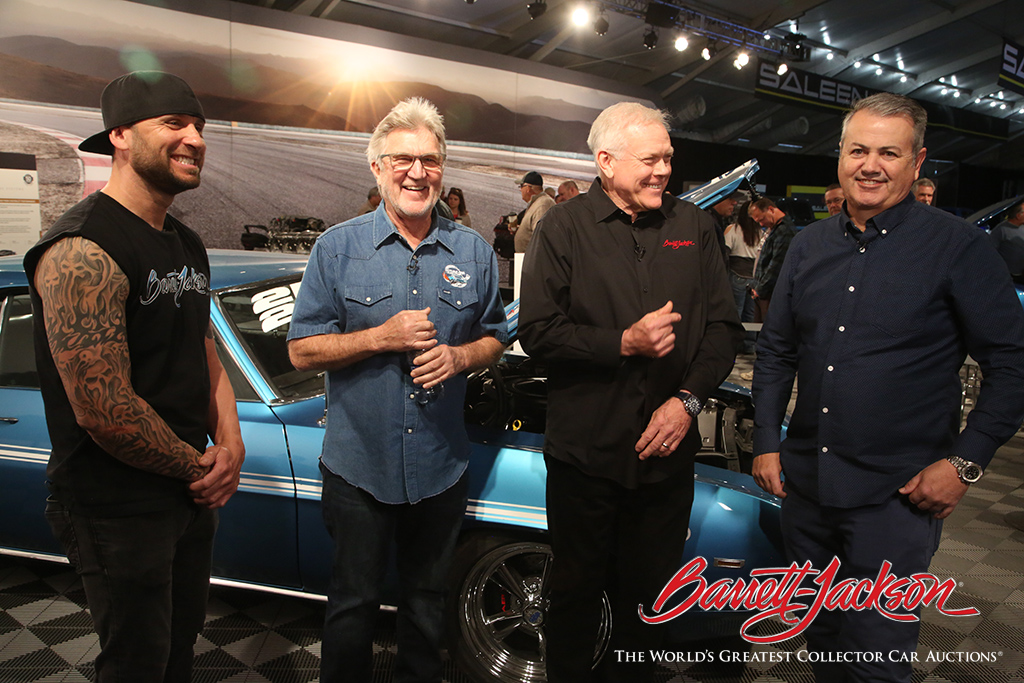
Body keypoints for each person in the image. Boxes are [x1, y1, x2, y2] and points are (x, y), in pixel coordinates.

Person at [752, 92, 1024, 683]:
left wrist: (966, 464)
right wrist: (767, 442)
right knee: (821, 644)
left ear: (917, 161)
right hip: (807, 489)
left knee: (877, 658)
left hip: (897, 497)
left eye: (888, 152)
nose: (870, 165)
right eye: (858, 150)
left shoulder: (958, 247)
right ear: (840, 157)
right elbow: (775, 351)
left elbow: (1013, 362)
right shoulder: (808, 245)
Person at [23, 71, 245, 682]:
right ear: (119, 135)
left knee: (177, 650)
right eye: (174, 124)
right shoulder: (81, 249)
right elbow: (104, 409)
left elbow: (204, 348)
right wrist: (199, 467)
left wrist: (229, 441)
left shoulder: (187, 243)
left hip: (186, 489)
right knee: (135, 662)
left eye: (198, 126)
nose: (195, 138)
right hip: (113, 502)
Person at [519, 102, 742, 683]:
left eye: (668, 157)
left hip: (666, 460)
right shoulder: (562, 228)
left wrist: (687, 400)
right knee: (573, 595)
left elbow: (722, 329)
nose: (664, 170)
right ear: (606, 162)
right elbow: (538, 333)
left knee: (650, 606)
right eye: (651, 159)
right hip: (585, 461)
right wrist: (623, 342)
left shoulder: (694, 227)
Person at [286, 97, 508, 683]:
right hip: (358, 466)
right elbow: (302, 349)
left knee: (428, 605)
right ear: (377, 168)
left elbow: (495, 338)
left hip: (441, 466)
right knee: (353, 604)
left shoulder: (473, 252)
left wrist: (461, 355)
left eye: (430, 160)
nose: (418, 172)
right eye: (403, 159)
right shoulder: (337, 248)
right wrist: (379, 336)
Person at [723, 200, 762, 353]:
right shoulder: (761, 232)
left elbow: (726, 252)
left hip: (736, 274)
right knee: (751, 314)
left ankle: (732, 344)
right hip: (753, 277)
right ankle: (749, 345)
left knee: (736, 311)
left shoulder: (733, 229)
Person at [748, 197, 796, 318]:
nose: (761, 224)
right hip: (762, 292)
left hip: (770, 294)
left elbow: (776, 265)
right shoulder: (773, 229)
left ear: (771, 209)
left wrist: (760, 289)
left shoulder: (784, 231)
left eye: (762, 219)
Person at [513, 170, 555, 253]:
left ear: (528, 188)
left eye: (521, 186)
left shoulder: (542, 206)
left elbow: (541, 239)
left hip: (532, 261)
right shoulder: (537, 202)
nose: (521, 190)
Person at [988, 198, 1024, 282]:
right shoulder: (1001, 230)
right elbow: (991, 251)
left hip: (1021, 275)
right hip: (1007, 277)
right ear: (1018, 215)